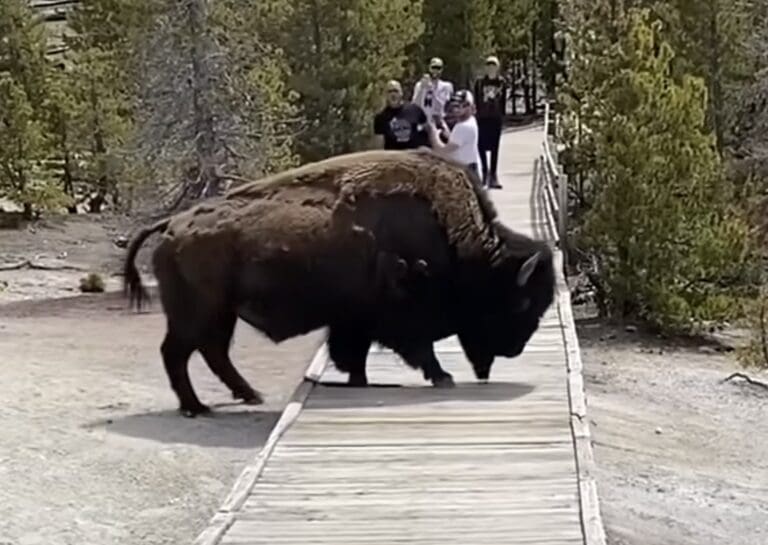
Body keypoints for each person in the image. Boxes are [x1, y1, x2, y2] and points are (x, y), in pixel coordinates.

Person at [426, 90, 482, 180]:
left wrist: (433, 133)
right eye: (455, 106)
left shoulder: (463, 126)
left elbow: (441, 150)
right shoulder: (470, 120)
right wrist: (446, 130)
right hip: (469, 168)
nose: (456, 109)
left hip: (464, 170)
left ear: (470, 107)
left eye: (461, 106)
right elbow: (458, 141)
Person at [473, 55, 507, 189]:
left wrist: (502, 117)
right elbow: (476, 99)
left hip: (495, 118)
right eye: (489, 65)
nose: (491, 68)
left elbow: (503, 100)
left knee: (495, 147)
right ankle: (485, 172)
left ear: (497, 67)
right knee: (481, 146)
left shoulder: (502, 82)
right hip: (482, 117)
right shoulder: (480, 83)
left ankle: (493, 175)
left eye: (493, 65)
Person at [373, 80, 429, 150]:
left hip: (413, 155)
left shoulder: (414, 110)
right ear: (386, 95)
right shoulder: (380, 118)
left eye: (396, 91)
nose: (393, 94)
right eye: (389, 91)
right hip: (394, 158)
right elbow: (379, 146)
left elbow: (427, 129)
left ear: (401, 93)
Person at [411, 57, 454, 124]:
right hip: (422, 121)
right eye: (433, 68)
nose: (435, 71)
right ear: (429, 68)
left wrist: (432, 90)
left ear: (442, 70)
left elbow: (440, 107)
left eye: (438, 68)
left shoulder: (446, 86)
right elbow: (415, 105)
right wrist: (422, 89)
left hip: (437, 122)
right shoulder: (419, 85)